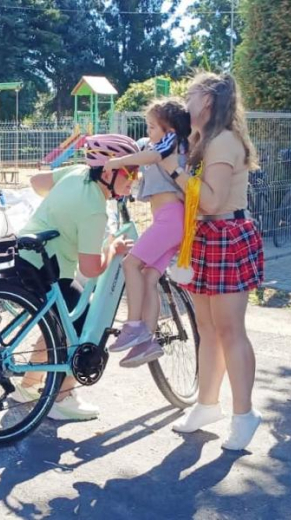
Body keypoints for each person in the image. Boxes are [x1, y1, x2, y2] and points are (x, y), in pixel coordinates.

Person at [162, 72, 264, 451]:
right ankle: (207, 405)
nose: (185, 99)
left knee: (229, 330)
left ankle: (245, 414)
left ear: (208, 100)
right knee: (207, 327)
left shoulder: (223, 141)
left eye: (191, 93)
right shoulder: (203, 139)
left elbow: (212, 201)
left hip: (226, 234)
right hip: (205, 236)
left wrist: (173, 167)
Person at [13, 134, 138, 421]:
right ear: (107, 172)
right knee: (81, 324)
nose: (134, 179)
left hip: (24, 259)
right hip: (48, 269)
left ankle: (27, 388)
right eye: (130, 171)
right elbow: (93, 268)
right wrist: (112, 249)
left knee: (58, 320)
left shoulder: (76, 173)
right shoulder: (94, 209)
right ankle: (62, 398)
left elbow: (37, 183)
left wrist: (60, 209)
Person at [103, 98, 192, 368]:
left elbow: (153, 155)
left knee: (131, 263)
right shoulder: (166, 145)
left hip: (170, 219)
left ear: (170, 129)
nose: (148, 132)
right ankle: (147, 342)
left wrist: (117, 161)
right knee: (149, 275)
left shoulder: (171, 144)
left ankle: (133, 326)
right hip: (170, 220)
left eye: (153, 127)